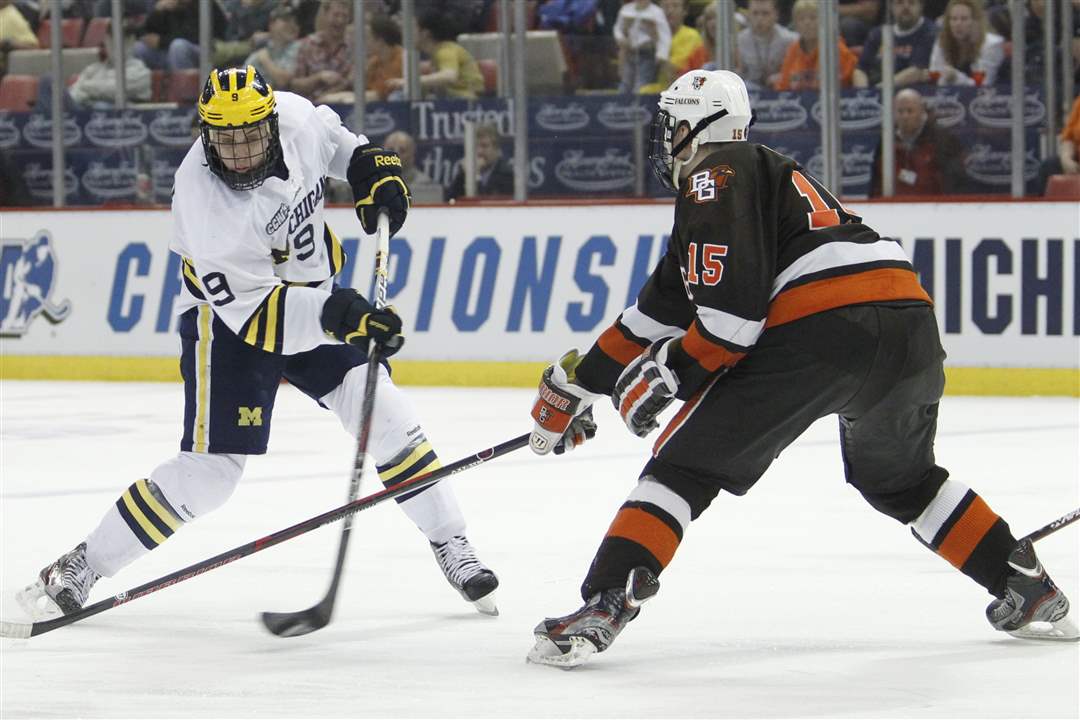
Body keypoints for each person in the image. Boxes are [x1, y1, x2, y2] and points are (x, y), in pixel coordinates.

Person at [523, 68, 1076, 668]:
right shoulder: (753, 185)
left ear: (692, 127)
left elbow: (733, 322)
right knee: (901, 480)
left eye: (670, 126)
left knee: (681, 467)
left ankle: (606, 601)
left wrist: (675, 371)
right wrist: (574, 385)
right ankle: (1024, 584)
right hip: (909, 326)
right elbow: (650, 318)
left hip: (820, 333)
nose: (666, 140)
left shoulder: (713, 174)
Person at [15, 65, 500, 623]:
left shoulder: (294, 117)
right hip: (227, 322)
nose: (240, 152)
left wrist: (370, 169)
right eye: (225, 139)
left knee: (385, 411)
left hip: (313, 295)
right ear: (205, 134)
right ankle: (82, 564)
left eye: (250, 135)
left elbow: (337, 144)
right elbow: (259, 321)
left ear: (270, 123)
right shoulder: (204, 204)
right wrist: (343, 317)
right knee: (211, 474)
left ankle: (451, 542)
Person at [869, 87, 965, 196]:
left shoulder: (942, 139)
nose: (905, 116)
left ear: (921, 111)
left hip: (934, 206)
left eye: (910, 111)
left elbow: (954, 182)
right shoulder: (887, 140)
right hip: (895, 207)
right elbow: (876, 182)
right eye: (900, 111)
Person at [35, 35, 151, 113]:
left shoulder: (140, 70)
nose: (105, 48)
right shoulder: (93, 68)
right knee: (49, 80)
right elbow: (75, 92)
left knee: (101, 107)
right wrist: (84, 93)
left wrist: (86, 87)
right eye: (106, 44)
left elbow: (114, 90)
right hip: (81, 112)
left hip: (111, 117)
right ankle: (44, 133)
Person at [386, 9, 484, 100]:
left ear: (425, 33)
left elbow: (449, 76)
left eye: (413, 29)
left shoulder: (445, 51)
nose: (408, 34)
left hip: (466, 101)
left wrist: (410, 82)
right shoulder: (436, 54)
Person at [774, 0, 868, 90]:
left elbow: (856, 75)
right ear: (795, 24)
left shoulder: (835, 48)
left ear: (823, 21)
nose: (807, 23)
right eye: (801, 19)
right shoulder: (793, 50)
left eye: (813, 17)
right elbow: (782, 87)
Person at [857, 0, 938, 87]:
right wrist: (864, 93)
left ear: (921, 6)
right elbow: (860, 70)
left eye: (911, 2)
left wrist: (880, 91)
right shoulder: (878, 33)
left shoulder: (930, 32)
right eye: (900, 2)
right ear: (891, 6)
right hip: (879, 89)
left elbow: (916, 71)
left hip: (914, 92)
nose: (906, 7)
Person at [290, 0, 354, 104]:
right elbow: (295, 84)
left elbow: (353, 83)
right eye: (336, 15)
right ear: (325, 15)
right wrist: (318, 77)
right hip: (309, 108)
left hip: (343, 108)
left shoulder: (353, 48)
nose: (340, 20)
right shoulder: (308, 45)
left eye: (344, 16)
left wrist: (327, 96)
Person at [928, 0, 1004, 87]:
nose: (958, 24)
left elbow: (982, 84)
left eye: (964, 19)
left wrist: (956, 77)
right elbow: (935, 78)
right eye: (953, 19)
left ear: (976, 21)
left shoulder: (991, 45)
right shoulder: (942, 42)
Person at [135, 0, 226, 71]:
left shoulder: (203, 4)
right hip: (170, 51)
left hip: (204, 52)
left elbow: (195, 37)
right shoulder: (169, 6)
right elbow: (142, 33)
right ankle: (155, 91)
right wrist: (157, 11)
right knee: (140, 48)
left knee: (178, 47)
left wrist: (161, 41)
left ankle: (184, 93)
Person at [638, 0, 705, 93]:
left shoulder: (691, 36)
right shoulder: (650, 34)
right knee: (640, 92)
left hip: (685, 91)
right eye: (665, 7)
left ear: (684, 11)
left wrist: (657, 40)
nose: (669, 11)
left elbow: (672, 73)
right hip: (660, 88)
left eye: (675, 6)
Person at [613, 0, 672, 94]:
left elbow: (664, 35)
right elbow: (617, 28)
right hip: (630, 52)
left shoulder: (657, 12)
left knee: (641, 84)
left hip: (647, 54)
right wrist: (621, 39)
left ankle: (638, 107)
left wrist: (661, 54)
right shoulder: (626, 9)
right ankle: (621, 106)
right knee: (626, 83)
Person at [736, 0, 797, 88]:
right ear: (748, 14)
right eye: (755, 13)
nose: (760, 18)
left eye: (765, 13)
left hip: (781, 92)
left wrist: (780, 77)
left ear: (776, 15)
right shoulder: (740, 40)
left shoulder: (790, 40)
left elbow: (794, 73)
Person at [446, 123, 514, 201]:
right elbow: (449, 201)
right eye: (475, 146)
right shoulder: (465, 171)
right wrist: (463, 175)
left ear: (496, 149)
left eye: (484, 146)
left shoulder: (507, 175)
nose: (479, 151)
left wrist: (476, 176)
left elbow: (486, 207)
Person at [243, 5, 301, 90]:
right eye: (286, 20)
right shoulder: (263, 48)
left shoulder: (299, 47)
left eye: (296, 22)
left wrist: (265, 61)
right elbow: (243, 79)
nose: (292, 25)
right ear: (272, 24)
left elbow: (283, 81)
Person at [384, 130, 443, 204]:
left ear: (412, 155)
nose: (395, 154)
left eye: (402, 150)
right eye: (391, 150)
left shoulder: (425, 184)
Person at [1037, 94, 1080, 195]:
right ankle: (1043, 209)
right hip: (1077, 162)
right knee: (1049, 166)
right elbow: (1068, 138)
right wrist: (1066, 159)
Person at [364, 14, 404, 102]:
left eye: (368, 38)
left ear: (380, 41)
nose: (366, 42)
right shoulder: (373, 64)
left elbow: (381, 94)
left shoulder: (403, 59)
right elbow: (368, 91)